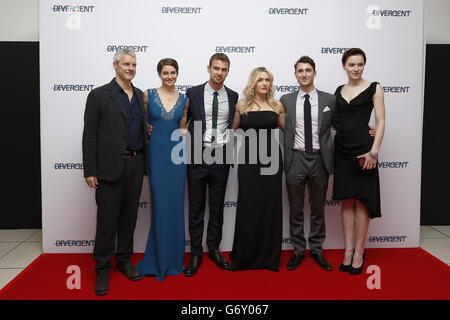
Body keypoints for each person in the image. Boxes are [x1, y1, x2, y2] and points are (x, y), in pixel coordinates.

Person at [82, 49, 148, 295]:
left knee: (129, 218)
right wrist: (90, 169)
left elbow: (139, 128)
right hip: (109, 167)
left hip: (135, 164)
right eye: (126, 64)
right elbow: (89, 135)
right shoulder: (99, 95)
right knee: (107, 221)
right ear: (115, 65)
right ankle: (102, 269)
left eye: (134, 64)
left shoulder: (140, 95)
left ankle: (124, 260)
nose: (130, 68)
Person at [183, 53, 238, 277]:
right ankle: (196, 253)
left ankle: (214, 249)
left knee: (217, 207)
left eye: (224, 69)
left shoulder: (233, 96)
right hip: (197, 157)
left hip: (220, 159)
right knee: (196, 208)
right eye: (216, 68)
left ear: (228, 71)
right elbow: (181, 121)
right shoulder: (193, 93)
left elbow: (236, 125)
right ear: (208, 68)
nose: (219, 73)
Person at [279, 56, 336, 271]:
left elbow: (343, 124)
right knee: (295, 208)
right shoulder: (285, 100)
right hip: (296, 159)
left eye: (308, 70)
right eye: (300, 71)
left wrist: (369, 130)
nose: (304, 74)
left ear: (314, 73)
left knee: (318, 208)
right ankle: (298, 250)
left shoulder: (329, 100)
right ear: (295, 74)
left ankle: (317, 250)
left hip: (320, 160)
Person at [333, 48, 385, 275]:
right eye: (351, 64)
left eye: (360, 64)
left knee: (362, 201)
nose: (356, 68)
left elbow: (381, 122)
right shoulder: (339, 90)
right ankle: (348, 250)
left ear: (364, 65)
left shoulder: (375, 87)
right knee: (346, 201)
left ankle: (359, 252)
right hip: (342, 150)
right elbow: (337, 121)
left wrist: (373, 151)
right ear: (344, 66)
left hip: (365, 151)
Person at [136, 58, 189, 281]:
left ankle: (174, 258)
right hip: (156, 155)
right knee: (159, 205)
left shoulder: (185, 99)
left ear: (177, 74)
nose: (170, 76)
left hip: (176, 157)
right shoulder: (147, 95)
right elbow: (139, 122)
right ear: (159, 74)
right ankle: (158, 257)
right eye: (166, 72)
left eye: (173, 72)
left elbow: (183, 130)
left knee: (176, 206)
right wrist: (146, 130)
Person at [229, 67, 284, 271]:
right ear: (253, 82)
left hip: (272, 161)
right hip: (249, 160)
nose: (264, 83)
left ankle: (269, 257)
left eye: (267, 80)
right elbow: (230, 130)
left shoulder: (276, 105)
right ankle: (245, 255)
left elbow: (294, 130)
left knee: (269, 206)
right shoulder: (242, 105)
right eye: (260, 79)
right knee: (249, 204)